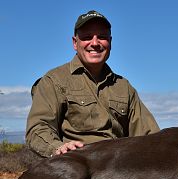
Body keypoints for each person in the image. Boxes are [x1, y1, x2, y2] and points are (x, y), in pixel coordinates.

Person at [26, 10, 160, 157]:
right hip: (76, 165)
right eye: (87, 37)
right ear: (75, 43)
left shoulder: (124, 86)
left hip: (119, 166)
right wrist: (58, 148)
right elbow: (37, 129)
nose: (95, 43)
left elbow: (150, 135)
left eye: (102, 37)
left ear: (110, 42)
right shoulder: (54, 80)